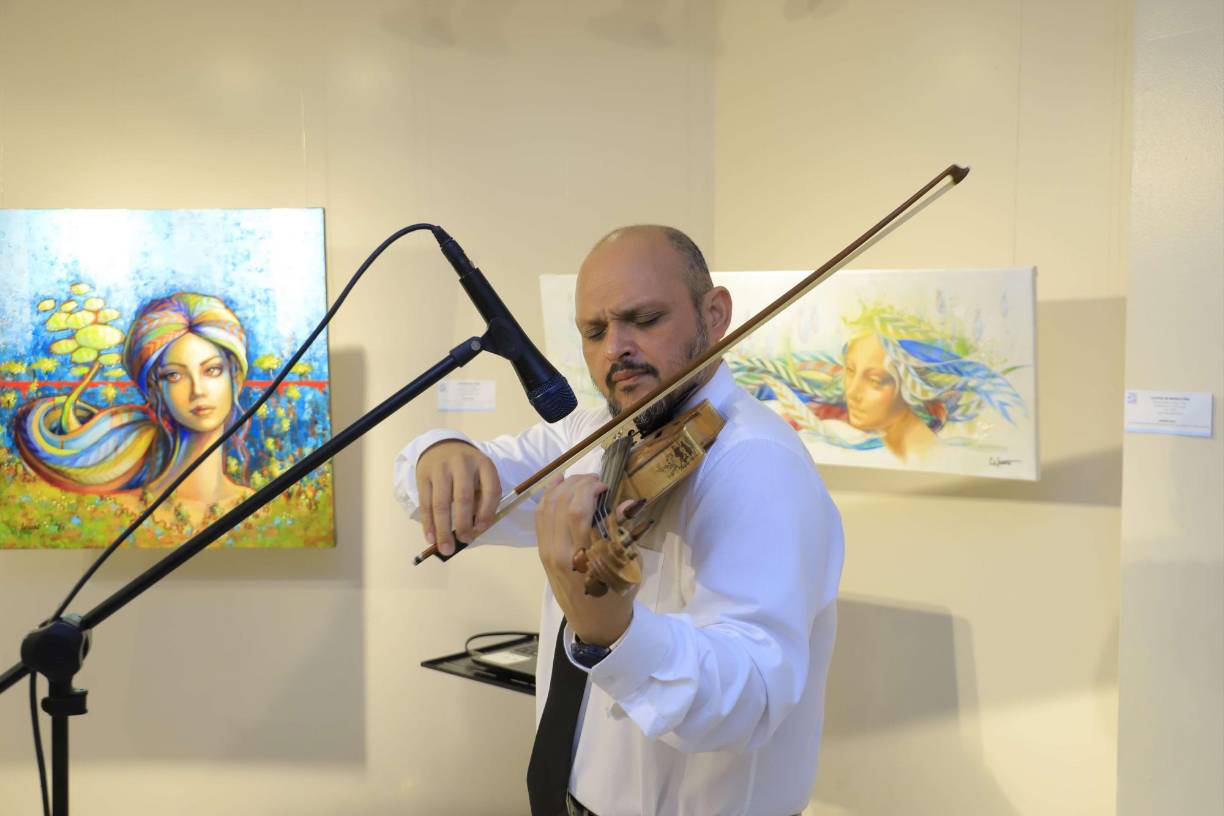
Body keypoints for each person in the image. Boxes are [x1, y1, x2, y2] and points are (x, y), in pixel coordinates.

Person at [393, 225, 844, 816]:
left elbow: (751, 697)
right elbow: (476, 478)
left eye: (645, 319)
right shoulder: (595, 430)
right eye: (595, 331)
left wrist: (614, 632)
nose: (615, 350)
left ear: (715, 313)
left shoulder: (757, 466)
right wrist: (440, 451)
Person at [14, 292, 253, 525]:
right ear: (154, 389)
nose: (198, 390)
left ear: (235, 377)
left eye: (212, 370)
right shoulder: (116, 513)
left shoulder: (261, 507)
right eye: (174, 375)